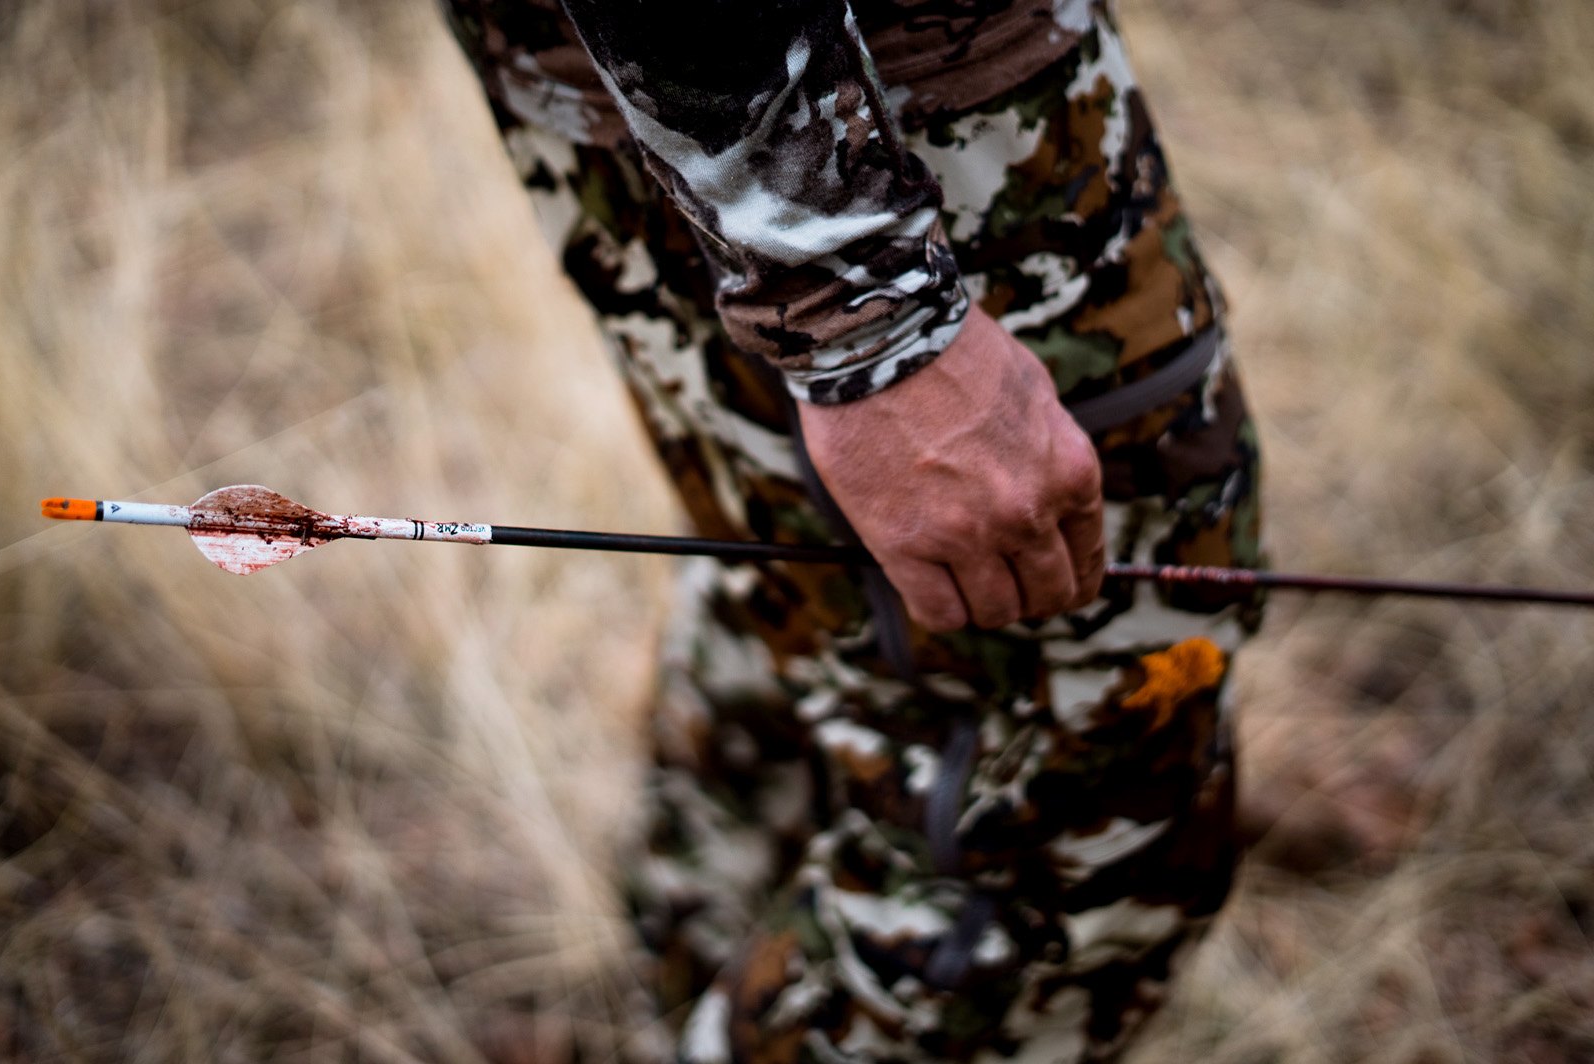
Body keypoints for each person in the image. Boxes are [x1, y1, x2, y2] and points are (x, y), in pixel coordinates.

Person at [441, 2, 1265, 1061]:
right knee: (1070, 796)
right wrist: (867, 316)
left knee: (821, 619)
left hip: (736, 105)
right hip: (879, 115)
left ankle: (695, 975)